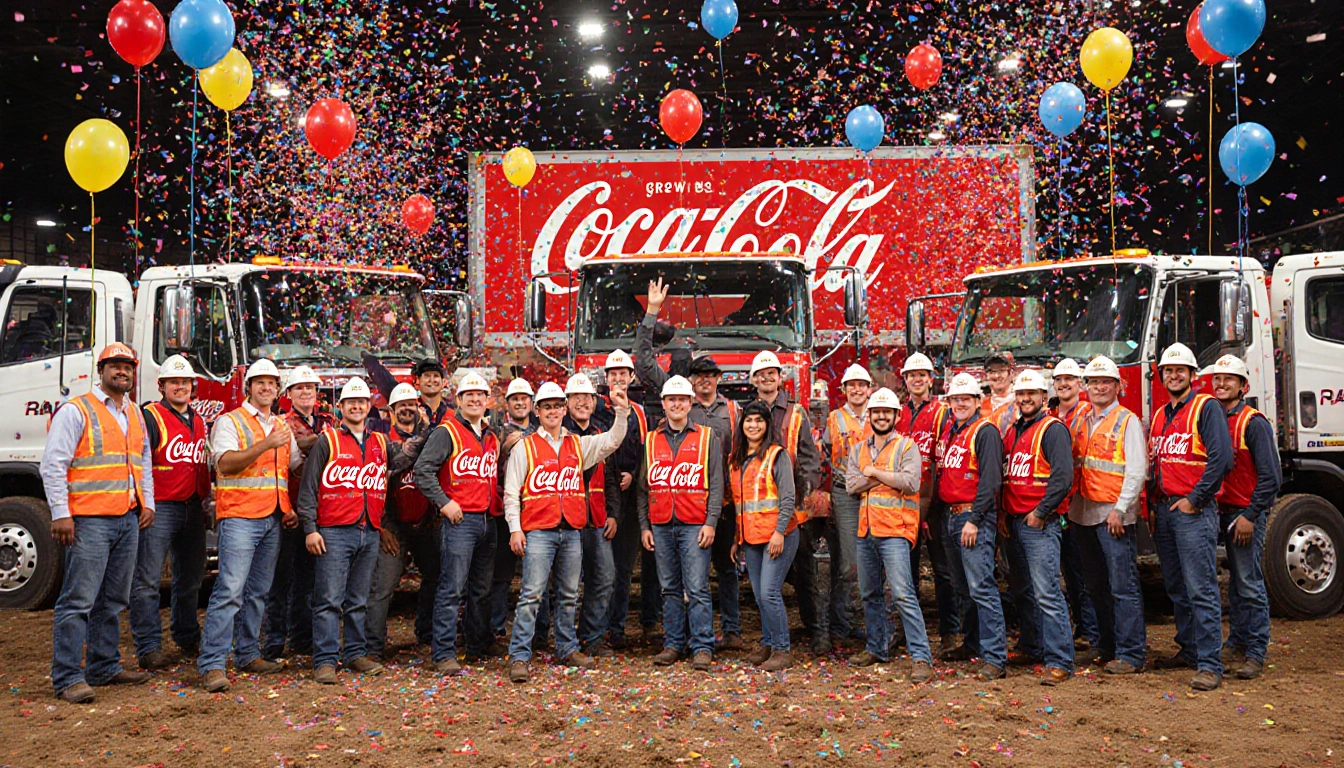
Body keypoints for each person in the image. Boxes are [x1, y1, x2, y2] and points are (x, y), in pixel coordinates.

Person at [42, 343, 155, 703]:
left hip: (126, 518)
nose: (122, 372)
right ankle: (68, 677)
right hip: (89, 520)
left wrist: (146, 501)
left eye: (128, 367)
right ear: (101, 370)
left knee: (113, 599)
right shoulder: (77, 411)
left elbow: (143, 461)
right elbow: (54, 464)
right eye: (115, 366)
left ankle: (104, 666)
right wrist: (61, 512)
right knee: (78, 600)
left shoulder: (135, 414)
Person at [636, 278, 743, 650]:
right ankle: (676, 642)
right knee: (675, 584)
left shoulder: (733, 410)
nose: (702, 383)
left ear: (718, 380)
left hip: (723, 505)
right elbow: (643, 362)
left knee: (723, 573)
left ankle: (728, 634)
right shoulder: (674, 401)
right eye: (698, 377)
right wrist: (652, 312)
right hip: (676, 513)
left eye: (710, 377)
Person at [503, 381, 629, 682]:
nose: (553, 411)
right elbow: (511, 493)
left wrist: (622, 412)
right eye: (547, 407)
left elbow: (612, 441)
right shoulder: (525, 446)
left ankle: (566, 647)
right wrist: (515, 529)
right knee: (532, 594)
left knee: (569, 594)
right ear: (538, 411)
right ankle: (520, 655)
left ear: (563, 409)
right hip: (538, 532)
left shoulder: (578, 444)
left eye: (557, 406)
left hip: (571, 529)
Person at [199, 359, 303, 693]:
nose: (266, 388)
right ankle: (213, 663)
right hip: (241, 517)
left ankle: (247, 654)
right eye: (260, 382)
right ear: (249, 388)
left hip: (273, 517)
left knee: (258, 592)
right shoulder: (230, 422)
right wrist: (265, 445)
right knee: (229, 590)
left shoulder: (282, 426)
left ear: (277, 390)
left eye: (272, 383)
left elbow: (296, 464)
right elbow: (225, 464)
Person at [1149, 342, 1233, 691]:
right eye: (1168, 370)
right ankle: (1189, 649)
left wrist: (1195, 500)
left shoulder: (1206, 407)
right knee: (1177, 587)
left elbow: (1221, 459)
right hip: (1166, 511)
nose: (1174, 375)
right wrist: (1153, 507)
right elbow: (1158, 464)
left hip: (1192, 511)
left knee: (1201, 588)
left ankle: (1210, 663)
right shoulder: (1160, 414)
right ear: (1162, 376)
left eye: (1180, 370)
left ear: (1192, 375)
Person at [296, 378, 390, 683]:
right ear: (341, 407)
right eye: (351, 402)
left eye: (362, 402)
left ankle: (355, 653)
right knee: (328, 598)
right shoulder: (328, 441)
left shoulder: (379, 442)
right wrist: (310, 528)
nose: (357, 406)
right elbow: (308, 488)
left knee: (358, 598)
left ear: (369, 407)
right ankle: (325, 659)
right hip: (334, 531)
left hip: (369, 529)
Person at [844, 388, 933, 683]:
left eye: (887, 412)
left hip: (895, 531)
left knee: (904, 594)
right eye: (877, 412)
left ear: (896, 416)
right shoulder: (858, 449)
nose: (881, 416)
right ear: (869, 416)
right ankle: (877, 647)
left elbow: (909, 483)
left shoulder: (907, 447)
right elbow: (850, 486)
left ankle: (921, 657)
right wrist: (882, 476)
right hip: (866, 530)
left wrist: (872, 474)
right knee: (870, 593)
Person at [414, 372, 501, 674]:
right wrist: (444, 502)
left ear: (487, 400)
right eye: (470, 395)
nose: (476, 399)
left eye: (481, 395)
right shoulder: (446, 431)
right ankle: (443, 653)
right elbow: (422, 470)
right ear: (459, 400)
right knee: (451, 589)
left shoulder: (490, 434)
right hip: (460, 521)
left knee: (481, 589)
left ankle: (476, 646)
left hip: (487, 521)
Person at [639, 376, 726, 671]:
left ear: (691, 403)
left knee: (698, 587)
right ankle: (673, 644)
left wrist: (711, 522)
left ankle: (702, 646)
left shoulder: (706, 437)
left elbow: (717, 484)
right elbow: (643, 488)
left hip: (694, 524)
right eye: (671, 400)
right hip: (661, 524)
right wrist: (644, 526)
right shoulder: (651, 440)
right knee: (669, 588)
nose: (676, 404)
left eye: (682, 399)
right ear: (663, 404)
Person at [1070, 356, 1149, 675]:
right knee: (1096, 586)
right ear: (1086, 387)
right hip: (1084, 514)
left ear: (1118, 386)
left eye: (1105, 382)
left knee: (1123, 585)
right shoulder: (1082, 419)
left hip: (1113, 517)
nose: (1099, 387)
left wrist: (1120, 509)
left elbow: (1136, 469)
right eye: (1093, 382)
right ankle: (1107, 646)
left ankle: (1131, 653)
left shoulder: (1127, 420)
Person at [130, 354, 209, 670]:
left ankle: (187, 635)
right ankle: (148, 647)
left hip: (193, 506)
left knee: (190, 579)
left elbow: (200, 464)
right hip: (160, 506)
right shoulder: (150, 416)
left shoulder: (199, 419)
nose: (181, 387)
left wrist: (206, 499)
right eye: (174, 382)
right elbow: (139, 464)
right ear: (161, 385)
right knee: (148, 580)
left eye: (185, 381)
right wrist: (144, 502)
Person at [1204, 354, 1280, 680]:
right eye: (1217, 380)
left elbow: (1271, 477)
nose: (1221, 384)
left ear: (1243, 386)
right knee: (1235, 582)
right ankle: (1236, 640)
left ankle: (1255, 651)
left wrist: (1251, 515)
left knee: (1249, 582)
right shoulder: (1214, 419)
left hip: (1243, 514)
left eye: (1229, 380)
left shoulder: (1253, 423)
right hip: (1222, 510)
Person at [1000, 370, 1076, 685]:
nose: (1026, 398)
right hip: (1014, 521)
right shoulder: (1015, 429)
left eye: (1032, 393)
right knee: (1024, 590)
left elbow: (1063, 478)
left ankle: (1060, 661)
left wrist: (1041, 512)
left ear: (1044, 398)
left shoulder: (1052, 429)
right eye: (1021, 394)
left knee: (1047, 591)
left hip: (1038, 524)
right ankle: (1033, 645)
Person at [748, 350, 823, 651]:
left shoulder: (797, 413)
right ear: (754, 379)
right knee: (767, 582)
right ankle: (772, 638)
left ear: (781, 378)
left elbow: (809, 457)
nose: (767, 378)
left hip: (793, 509)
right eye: (761, 374)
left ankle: (817, 631)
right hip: (760, 507)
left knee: (805, 574)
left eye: (772, 374)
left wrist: (802, 497)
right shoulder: (748, 413)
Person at [935, 372, 1007, 680]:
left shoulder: (984, 430)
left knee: (981, 586)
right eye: (955, 399)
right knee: (963, 587)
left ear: (978, 401)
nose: (960, 403)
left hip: (971, 517)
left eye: (966, 398)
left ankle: (995, 657)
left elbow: (990, 481)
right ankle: (972, 643)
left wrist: (975, 520)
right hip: (952, 516)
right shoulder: (955, 430)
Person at [894, 352, 959, 653]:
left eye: (923, 375)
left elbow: (942, 462)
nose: (917, 379)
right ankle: (907, 633)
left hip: (933, 505)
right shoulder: (897, 412)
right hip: (901, 503)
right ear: (905, 379)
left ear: (932, 379)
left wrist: (931, 509)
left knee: (942, 570)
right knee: (904, 572)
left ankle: (950, 632)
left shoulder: (943, 412)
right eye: (912, 375)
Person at [261, 365, 327, 661]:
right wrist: (324, 440)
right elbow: (293, 449)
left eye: (310, 388)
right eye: (299, 388)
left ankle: (302, 638)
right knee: (280, 580)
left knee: (308, 580)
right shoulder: (280, 423)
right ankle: (273, 642)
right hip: (287, 511)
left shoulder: (326, 422)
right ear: (288, 394)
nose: (305, 392)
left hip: (315, 512)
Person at [366, 383, 435, 660]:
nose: (406, 409)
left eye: (411, 404)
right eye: (400, 405)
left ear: (418, 408)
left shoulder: (434, 437)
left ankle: (427, 634)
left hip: (426, 521)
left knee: (436, 578)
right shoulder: (380, 441)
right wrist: (380, 526)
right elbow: (370, 486)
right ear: (390, 411)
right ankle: (372, 647)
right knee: (383, 585)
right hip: (392, 521)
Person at [729, 400, 799, 671]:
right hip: (751, 538)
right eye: (749, 420)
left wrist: (779, 532)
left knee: (770, 592)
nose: (753, 425)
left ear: (767, 425)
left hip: (778, 536)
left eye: (759, 420)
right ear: (742, 424)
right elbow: (740, 502)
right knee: (759, 595)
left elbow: (788, 497)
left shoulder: (776, 455)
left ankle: (782, 649)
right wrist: (737, 538)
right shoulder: (736, 460)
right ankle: (769, 642)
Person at [562, 374, 625, 657]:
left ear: (593, 402)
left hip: (598, 519)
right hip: (568, 521)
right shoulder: (558, 434)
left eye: (586, 398)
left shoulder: (602, 435)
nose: (582, 403)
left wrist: (614, 514)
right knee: (567, 586)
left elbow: (611, 479)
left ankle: (593, 637)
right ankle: (563, 640)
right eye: (576, 398)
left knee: (604, 579)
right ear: (566, 403)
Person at [602, 347, 659, 648]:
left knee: (624, 568)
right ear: (606, 377)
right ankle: (597, 627)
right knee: (602, 569)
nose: (618, 378)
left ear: (631, 376)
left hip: (630, 495)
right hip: (602, 498)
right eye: (613, 374)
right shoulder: (598, 408)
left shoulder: (639, 412)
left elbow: (646, 451)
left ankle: (617, 628)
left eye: (623, 373)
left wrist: (634, 475)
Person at [819, 363, 873, 649]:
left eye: (861, 384)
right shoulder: (834, 419)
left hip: (876, 492)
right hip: (845, 494)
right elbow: (823, 458)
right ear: (844, 390)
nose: (856, 389)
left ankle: (863, 622)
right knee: (847, 564)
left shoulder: (879, 414)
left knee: (872, 560)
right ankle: (840, 626)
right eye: (851, 385)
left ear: (869, 389)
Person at [1049, 358, 1101, 654]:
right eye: (1059, 380)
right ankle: (1081, 625)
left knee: (1085, 571)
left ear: (1080, 384)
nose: (1064, 384)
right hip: (1060, 504)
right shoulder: (1050, 414)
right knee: (1069, 570)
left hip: (1083, 500)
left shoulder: (1088, 414)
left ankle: (1090, 629)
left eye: (1070, 379)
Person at [487, 378, 538, 648]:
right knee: (501, 574)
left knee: (538, 576)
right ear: (507, 404)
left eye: (524, 398)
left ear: (532, 403)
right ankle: (496, 628)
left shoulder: (542, 430)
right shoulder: (495, 431)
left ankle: (540, 633)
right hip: (504, 509)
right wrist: (502, 450)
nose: (520, 402)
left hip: (536, 508)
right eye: (515, 399)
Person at [981, 352, 1017, 434]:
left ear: (1011, 373)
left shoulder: (1022, 404)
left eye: (1001, 370)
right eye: (991, 371)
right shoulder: (980, 405)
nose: (996, 376)